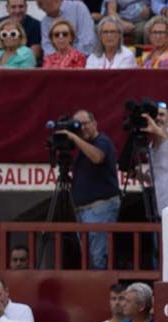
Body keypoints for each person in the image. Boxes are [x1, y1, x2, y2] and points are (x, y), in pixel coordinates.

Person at [56, 109, 120, 270]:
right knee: (88, 258)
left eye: (85, 124)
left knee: (97, 257)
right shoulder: (82, 148)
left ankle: (100, 293)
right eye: (78, 125)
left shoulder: (102, 141)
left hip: (100, 208)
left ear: (94, 123)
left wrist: (74, 138)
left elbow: (97, 157)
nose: (82, 128)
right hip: (83, 211)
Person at [0, 0, 42, 66]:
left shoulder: (35, 25)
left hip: (23, 64)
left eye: (21, 6)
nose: (17, 11)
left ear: (26, 7)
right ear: (7, 8)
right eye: (13, 7)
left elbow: (35, 54)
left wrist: (9, 67)